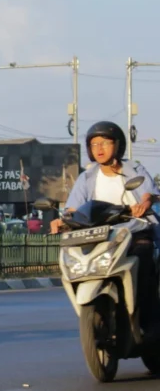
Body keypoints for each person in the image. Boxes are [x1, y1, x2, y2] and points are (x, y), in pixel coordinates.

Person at [51, 121, 160, 335]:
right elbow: (74, 208)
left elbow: (150, 192)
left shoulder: (134, 169)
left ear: (117, 145)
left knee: (143, 253)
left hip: (135, 231)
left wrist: (143, 205)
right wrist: (62, 220)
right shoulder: (87, 178)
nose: (99, 149)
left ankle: (150, 321)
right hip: (102, 236)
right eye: (94, 144)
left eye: (104, 143)